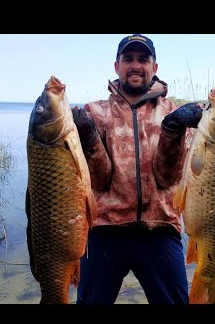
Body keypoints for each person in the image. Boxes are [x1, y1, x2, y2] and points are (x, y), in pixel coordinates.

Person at [72, 34, 203, 304]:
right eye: (128, 59)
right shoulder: (94, 112)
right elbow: (98, 181)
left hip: (160, 228)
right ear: (116, 66)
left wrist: (172, 129)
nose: (135, 65)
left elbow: (169, 179)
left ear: (154, 68)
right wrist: (87, 136)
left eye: (143, 59)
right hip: (104, 228)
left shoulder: (172, 111)